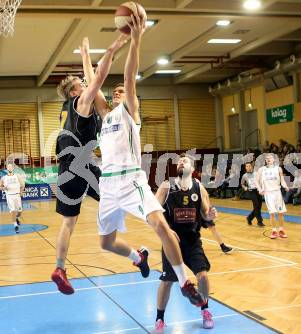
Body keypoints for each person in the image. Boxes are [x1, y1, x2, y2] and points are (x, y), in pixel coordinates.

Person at [97, 13, 205, 307]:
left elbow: (130, 75)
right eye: (115, 90)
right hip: (107, 185)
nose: (118, 90)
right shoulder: (106, 117)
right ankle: (138, 257)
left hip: (131, 179)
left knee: (161, 225)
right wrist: (92, 54)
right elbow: (95, 83)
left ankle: (184, 281)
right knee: (106, 243)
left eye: (123, 91)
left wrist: (135, 38)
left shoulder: (129, 112)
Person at [51, 34, 128, 295]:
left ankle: (59, 267)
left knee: (68, 222)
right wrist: (97, 52)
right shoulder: (81, 104)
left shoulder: (72, 107)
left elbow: (93, 81)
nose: (86, 84)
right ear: (75, 92)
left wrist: (85, 56)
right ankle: (127, 246)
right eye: (81, 84)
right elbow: (98, 78)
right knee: (120, 197)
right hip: (82, 166)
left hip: (67, 169)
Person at [154, 154, 220, 331]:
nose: (181, 161)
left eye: (186, 160)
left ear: (193, 168)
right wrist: (167, 231)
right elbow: (154, 212)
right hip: (171, 242)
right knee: (167, 281)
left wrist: (210, 215)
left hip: (192, 241)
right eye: (180, 161)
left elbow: (205, 213)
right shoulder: (167, 186)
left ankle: (205, 309)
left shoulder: (199, 188)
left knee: (203, 276)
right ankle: (159, 319)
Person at [256, 153, 289, 239]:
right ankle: (274, 230)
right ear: (265, 160)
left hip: (277, 192)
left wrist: (285, 186)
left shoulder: (278, 169)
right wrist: (260, 189)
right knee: (272, 213)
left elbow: (282, 180)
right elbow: (256, 181)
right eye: (267, 158)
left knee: (281, 213)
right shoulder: (261, 170)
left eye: (270, 158)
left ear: (274, 159)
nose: (268, 159)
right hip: (268, 193)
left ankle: (281, 230)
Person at [0, 163, 25, 233]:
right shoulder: (3, 178)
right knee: (13, 210)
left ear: (13, 168)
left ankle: (17, 218)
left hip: (17, 195)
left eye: (11, 166)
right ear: (7, 168)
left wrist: (21, 192)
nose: (10, 168)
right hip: (9, 196)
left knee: (20, 212)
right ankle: (15, 225)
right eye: (8, 166)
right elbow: (0, 187)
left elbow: (22, 185)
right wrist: (3, 188)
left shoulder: (17, 176)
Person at [241, 162, 265, 227]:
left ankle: (249, 218)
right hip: (251, 192)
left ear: (251, 167)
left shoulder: (256, 173)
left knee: (258, 207)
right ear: (245, 168)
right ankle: (259, 221)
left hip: (258, 191)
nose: (248, 167)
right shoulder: (244, 176)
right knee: (256, 205)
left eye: (249, 166)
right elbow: (242, 184)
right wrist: (245, 187)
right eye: (247, 166)